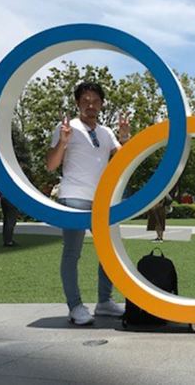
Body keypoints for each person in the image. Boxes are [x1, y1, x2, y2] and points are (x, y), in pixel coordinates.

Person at [46, 81, 131, 326]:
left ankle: (104, 301)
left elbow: (125, 160)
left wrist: (125, 137)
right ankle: (75, 306)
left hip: (102, 199)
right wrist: (63, 141)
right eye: (85, 101)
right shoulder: (67, 128)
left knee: (109, 251)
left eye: (95, 101)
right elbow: (51, 165)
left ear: (102, 104)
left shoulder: (106, 132)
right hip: (73, 196)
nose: (90, 105)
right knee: (72, 252)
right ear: (77, 103)